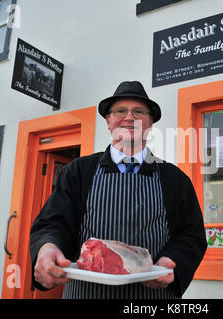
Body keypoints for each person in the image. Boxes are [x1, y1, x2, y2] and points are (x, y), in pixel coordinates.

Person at [30, 81, 207, 299]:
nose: (129, 117)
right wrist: (47, 247)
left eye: (139, 112)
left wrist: (170, 262)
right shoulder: (79, 171)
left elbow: (192, 235)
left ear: (150, 123)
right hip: (86, 295)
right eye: (120, 111)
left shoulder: (174, 178)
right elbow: (53, 222)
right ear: (108, 121)